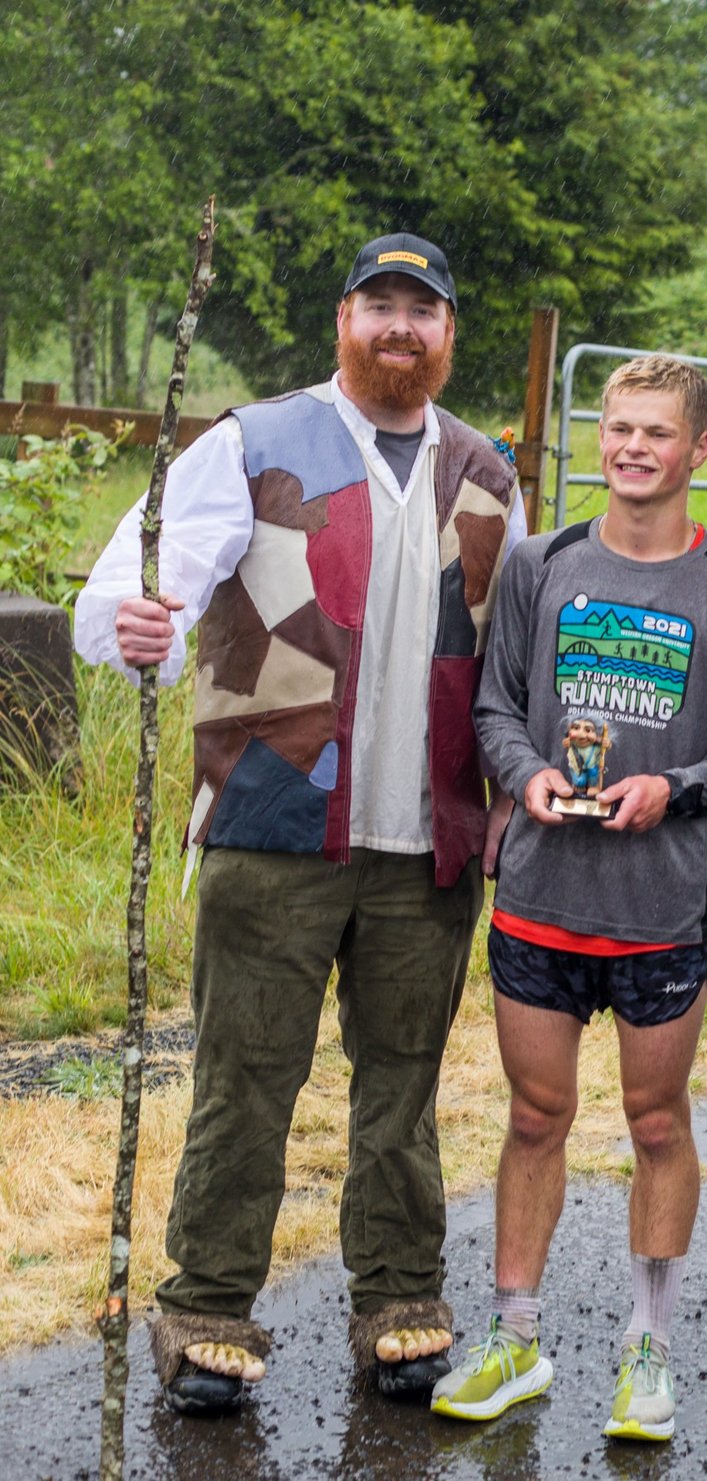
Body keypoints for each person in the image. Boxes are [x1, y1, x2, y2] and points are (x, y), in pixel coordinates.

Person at [73, 233, 527, 1412]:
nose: (399, 327)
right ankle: (206, 1311)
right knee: (245, 1078)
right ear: (343, 320)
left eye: (422, 309)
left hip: (428, 840)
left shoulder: (489, 475)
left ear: (448, 333)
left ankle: (400, 1302)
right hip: (272, 822)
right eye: (379, 304)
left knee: (403, 1089)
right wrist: (137, 623)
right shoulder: (253, 442)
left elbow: (514, 659)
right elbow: (128, 587)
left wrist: (519, 796)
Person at [433, 355, 707, 1441]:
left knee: (656, 1120)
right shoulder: (541, 563)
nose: (634, 447)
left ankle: (648, 1346)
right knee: (534, 1115)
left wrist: (673, 788)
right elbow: (496, 707)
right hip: (541, 894)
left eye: (657, 431)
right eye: (619, 427)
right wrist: (526, 773)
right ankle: (515, 1335)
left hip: (661, 906)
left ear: (699, 449)